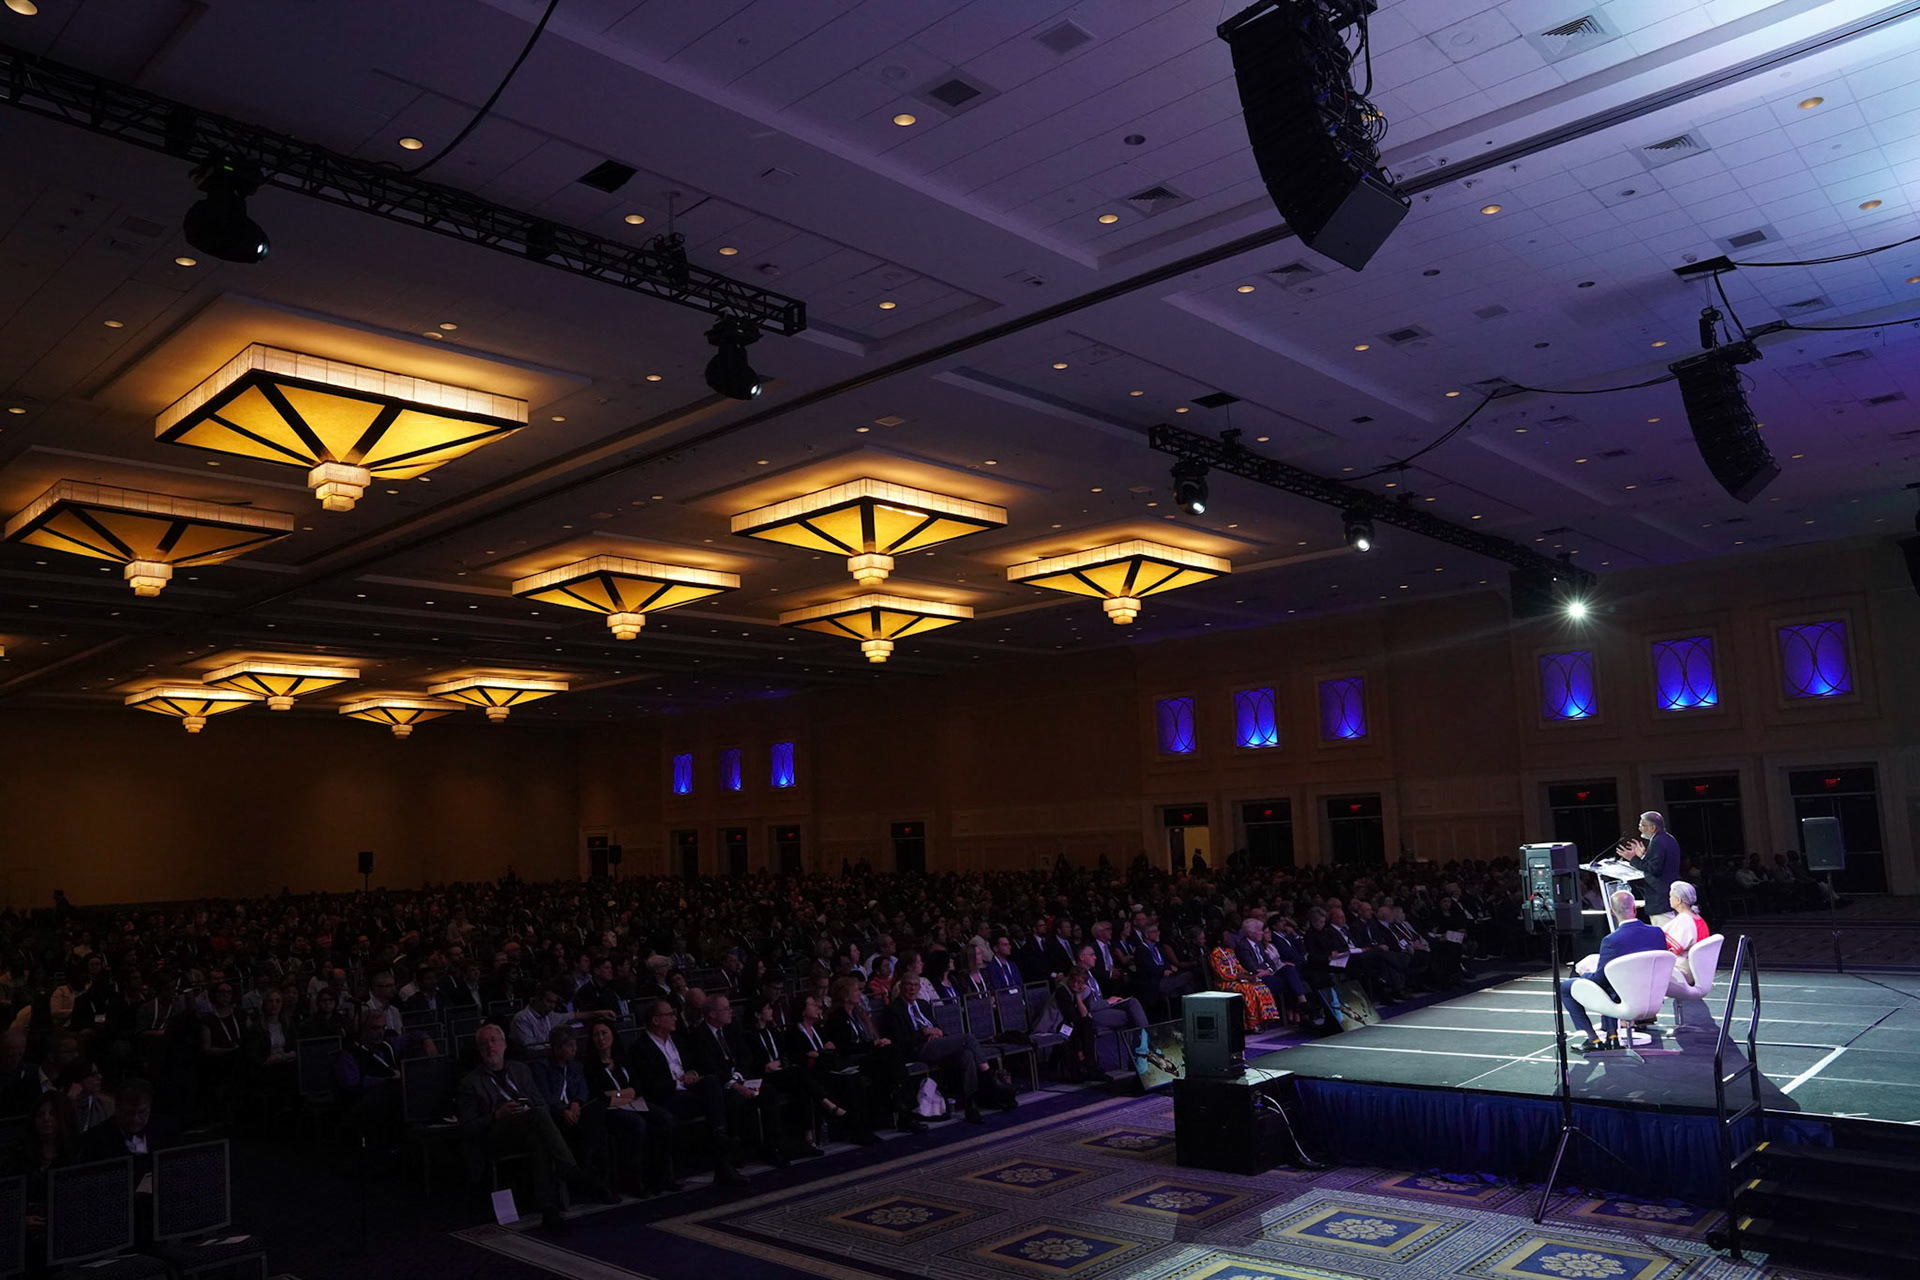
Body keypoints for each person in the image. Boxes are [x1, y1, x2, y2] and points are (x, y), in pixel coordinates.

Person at [457, 1024, 613, 1233]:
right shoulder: (470, 1083)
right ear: (479, 1049)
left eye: (494, 1041)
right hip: (496, 1134)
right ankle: (570, 1169)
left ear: (504, 1045)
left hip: (528, 1126)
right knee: (538, 1116)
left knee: (538, 1139)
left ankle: (549, 1210)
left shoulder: (520, 1070)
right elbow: (467, 1128)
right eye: (484, 1043)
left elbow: (539, 1102)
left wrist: (527, 1110)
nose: (490, 1046)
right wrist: (497, 1115)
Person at [628, 998, 745, 1185]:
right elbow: (649, 1084)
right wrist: (677, 1082)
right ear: (655, 1020)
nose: (674, 1018)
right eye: (669, 1014)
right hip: (667, 1097)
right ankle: (722, 1145)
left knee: (718, 1086)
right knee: (718, 1100)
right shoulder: (640, 1048)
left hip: (689, 1090)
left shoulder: (679, 1041)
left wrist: (692, 1073)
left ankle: (720, 1136)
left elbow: (693, 1065)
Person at [683, 995, 798, 1168]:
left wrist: (738, 1077)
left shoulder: (731, 1029)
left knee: (768, 1092)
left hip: (740, 1078)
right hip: (721, 1086)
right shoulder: (699, 1036)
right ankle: (738, 1150)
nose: (730, 1012)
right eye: (726, 1009)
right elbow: (708, 1066)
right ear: (713, 1014)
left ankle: (773, 1147)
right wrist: (733, 1084)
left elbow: (745, 1056)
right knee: (734, 1099)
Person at [1559, 890, 1669, 1053]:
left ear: (1611, 911)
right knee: (1614, 982)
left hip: (1625, 997)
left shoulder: (1612, 941)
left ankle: (1593, 1039)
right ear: (1635, 909)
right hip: (1652, 994)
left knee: (1566, 987)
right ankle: (1612, 1036)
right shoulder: (1657, 933)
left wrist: (1585, 974)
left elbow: (1599, 980)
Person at [580, 1019, 676, 1195]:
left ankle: (663, 1176)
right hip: (610, 1112)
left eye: (604, 1033)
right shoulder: (590, 1065)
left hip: (634, 1103)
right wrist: (621, 1095)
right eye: (596, 1034)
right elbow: (599, 1096)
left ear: (612, 1035)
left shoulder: (622, 1058)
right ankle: (635, 1181)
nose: (601, 1038)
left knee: (664, 1118)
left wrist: (617, 1094)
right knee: (637, 1124)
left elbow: (637, 1087)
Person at [882, 974, 990, 1124]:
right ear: (901, 987)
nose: (912, 988)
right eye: (908, 985)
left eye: (916, 985)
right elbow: (901, 1040)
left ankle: (970, 1106)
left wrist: (937, 1033)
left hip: (935, 1045)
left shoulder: (923, 1005)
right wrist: (925, 1033)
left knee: (967, 1055)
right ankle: (988, 1076)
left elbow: (936, 1027)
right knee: (968, 1038)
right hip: (916, 1049)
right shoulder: (893, 1010)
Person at [824, 977, 923, 1134]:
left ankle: (903, 1111)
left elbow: (869, 1039)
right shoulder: (837, 1018)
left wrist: (876, 1044)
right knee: (890, 1058)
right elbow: (845, 1048)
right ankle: (905, 1110)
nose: (859, 993)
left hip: (868, 1056)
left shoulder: (858, 1014)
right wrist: (873, 1045)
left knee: (891, 1055)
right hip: (851, 1059)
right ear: (845, 995)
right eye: (856, 990)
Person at [786, 992, 874, 1145]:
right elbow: (801, 1056)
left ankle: (864, 1128)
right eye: (812, 1005)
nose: (817, 1008)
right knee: (847, 1083)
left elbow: (828, 1050)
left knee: (856, 1080)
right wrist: (818, 1054)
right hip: (811, 1073)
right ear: (802, 1010)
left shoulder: (819, 1029)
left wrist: (827, 1049)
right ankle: (853, 1129)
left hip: (828, 1067)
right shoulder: (794, 1032)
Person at [1206, 927, 1279, 1029]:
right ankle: (1252, 1024)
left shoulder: (1230, 951)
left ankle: (1266, 1019)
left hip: (1239, 980)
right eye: (1226, 936)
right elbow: (1222, 974)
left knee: (1261, 987)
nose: (1229, 938)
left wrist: (1249, 975)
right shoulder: (1215, 954)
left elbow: (1239, 967)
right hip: (1225, 982)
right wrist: (1239, 976)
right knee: (1248, 990)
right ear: (1219, 938)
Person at [1622, 812, 1680, 925]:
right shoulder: (1668, 839)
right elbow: (1658, 864)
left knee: (1665, 936)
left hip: (1660, 900)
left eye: (1642, 825)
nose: (1639, 829)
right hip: (1667, 896)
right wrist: (1643, 856)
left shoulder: (1658, 841)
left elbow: (1654, 869)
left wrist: (1633, 859)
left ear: (1652, 827)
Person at [1661, 882, 1710, 982]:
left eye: (1671, 896)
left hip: (1685, 970)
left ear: (1678, 900)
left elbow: (1673, 949)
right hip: (1699, 968)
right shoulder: (1698, 918)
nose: (1669, 899)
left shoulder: (1684, 920)